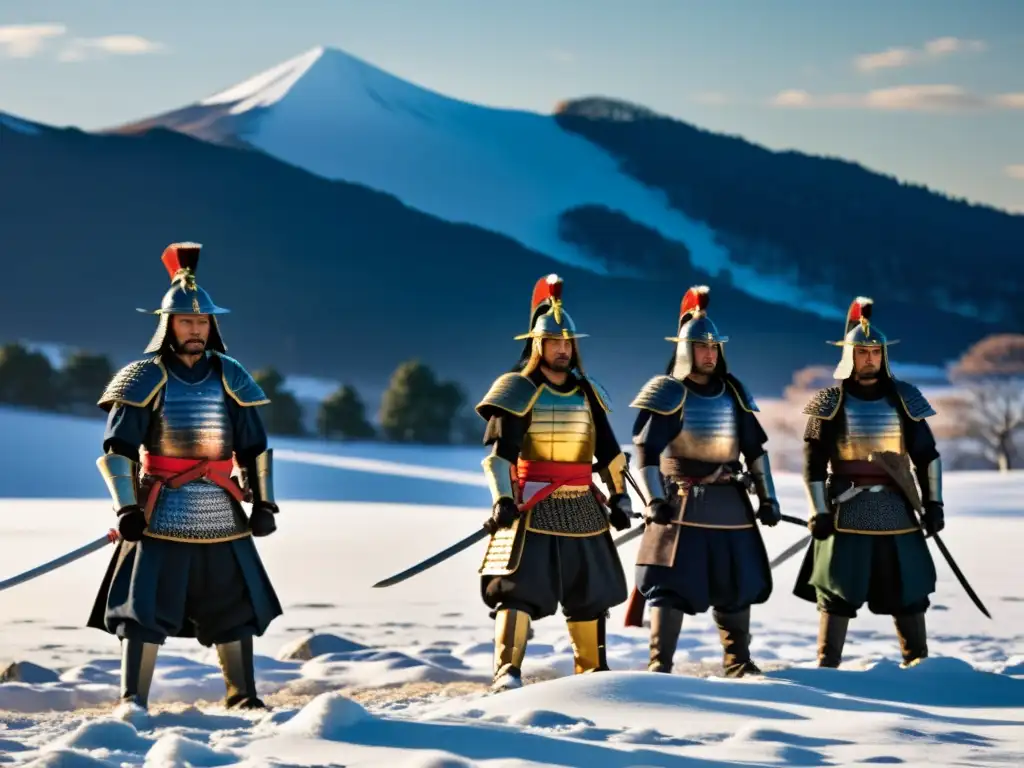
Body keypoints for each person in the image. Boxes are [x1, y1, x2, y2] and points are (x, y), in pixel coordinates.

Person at [90, 242, 283, 715]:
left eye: (202, 322)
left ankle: (242, 695)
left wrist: (263, 503)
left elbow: (254, 446)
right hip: (159, 508)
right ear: (167, 324)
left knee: (235, 603)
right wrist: (127, 509)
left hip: (222, 506)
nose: (196, 329)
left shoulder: (232, 376)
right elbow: (117, 449)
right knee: (142, 606)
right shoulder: (142, 376)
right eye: (186, 321)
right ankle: (133, 700)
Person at [474, 273, 633, 691]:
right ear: (537, 343)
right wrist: (502, 502)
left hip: (583, 506)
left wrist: (620, 498)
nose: (562, 349)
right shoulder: (517, 390)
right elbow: (499, 458)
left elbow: (611, 454)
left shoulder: (588, 393)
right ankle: (506, 671)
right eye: (554, 342)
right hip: (531, 505)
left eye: (568, 343)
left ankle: (592, 673)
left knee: (590, 594)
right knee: (516, 589)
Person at [628, 285, 780, 677]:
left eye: (715, 347)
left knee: (736, 582)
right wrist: (653, 500)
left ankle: (738, 662)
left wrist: (768, 498)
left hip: (730, 504)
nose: (710, 354)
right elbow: (645, 451)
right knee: (670, 585)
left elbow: (755, 449)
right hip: (679, 505)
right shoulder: (667, 392)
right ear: (685, 350)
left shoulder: (734, 392)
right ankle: (660, 667)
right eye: (702, 347)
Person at [793, 296, 943, 668]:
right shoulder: (828, 402)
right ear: (849, 356)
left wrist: (934, 503)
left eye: (876, 351)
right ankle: (828, 668)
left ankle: (919, 667)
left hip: (899, 508)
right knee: (836, 590)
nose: (871, 357)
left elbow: (927, 456)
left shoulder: (905, 399)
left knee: (910, 587)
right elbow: (812, 463)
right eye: (863, 352)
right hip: (846, 509)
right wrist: (819, 510)